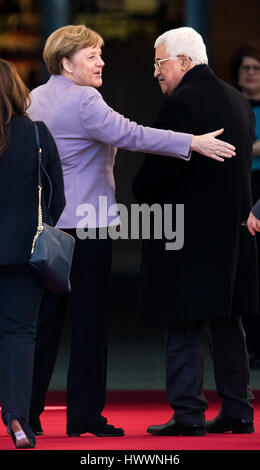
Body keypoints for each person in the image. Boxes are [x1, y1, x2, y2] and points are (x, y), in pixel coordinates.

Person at [27, 24, 235, 438]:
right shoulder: (85, 99)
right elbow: (132, 133)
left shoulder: (35, 97)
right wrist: (190, 142)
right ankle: (84, 416)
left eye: (100, 54)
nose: (101, 61)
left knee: (44, 326)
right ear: (67, 63)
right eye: (92, 56)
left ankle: (26, 413)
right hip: (87, 231)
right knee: (88, 325)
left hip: (48, 228)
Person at [132, 27, 258, 436]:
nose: (155, 72)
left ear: (184, 62)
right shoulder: (238, 100)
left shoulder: (183, 102)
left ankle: (188, 414)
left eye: (159, 62)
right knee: (228, 325)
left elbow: (156, 176)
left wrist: (139, 187)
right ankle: (239, 412)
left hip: (186, 238)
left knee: (182, 323)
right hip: (233, 236)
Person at [0, 59, 65, 448]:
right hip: (25, 253)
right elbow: (56, 197)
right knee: (20, 335)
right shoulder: (38, 135)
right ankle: (19, 420)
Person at [230, 43, 260, 369]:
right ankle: (246, 345)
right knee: (245, 267)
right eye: (245, 69)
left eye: (256, 68)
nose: (250, 74)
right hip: (242, 189)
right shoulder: (233, 103)